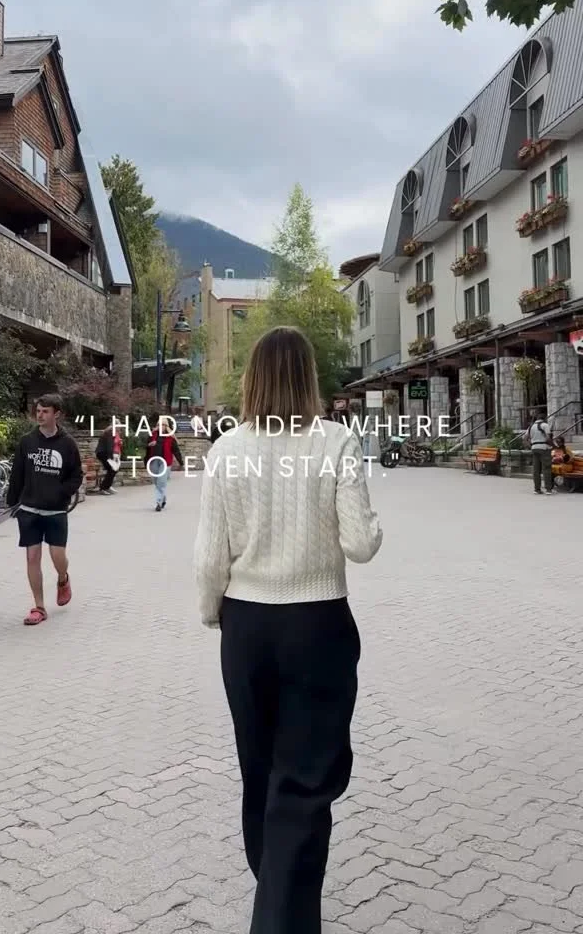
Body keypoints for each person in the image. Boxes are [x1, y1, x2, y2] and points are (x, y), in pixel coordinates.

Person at [193, 326, 383, 934]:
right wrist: (371, 522)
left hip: (247, 626)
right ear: (308, 377)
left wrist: (213, 612)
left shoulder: (226, 450)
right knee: (304, 781)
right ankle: (282, 915)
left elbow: (209, 556)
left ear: (253, 379)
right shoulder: (337, 441)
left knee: (261, 772)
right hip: (318, 623)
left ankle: (278, 900)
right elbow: (361, 544)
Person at [7, 394, 83, 625]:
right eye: (38, 411)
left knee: (58, 556)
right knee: (32, 557)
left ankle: (63, 578)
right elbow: (17, 474)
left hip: (55, 510)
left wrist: (61, 492)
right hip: (29, 509)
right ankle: (39, 607)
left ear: (56, 414)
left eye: (45, 411)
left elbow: (76, 476)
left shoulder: (67, 444)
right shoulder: (27, 441)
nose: (40, 415)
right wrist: (12, 503)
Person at [144, 416, 183, 511]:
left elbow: (176, 451)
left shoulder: (170, 438)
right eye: (159, 424)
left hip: (165, 462)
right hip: (153, 461)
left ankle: (158, 502)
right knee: (156, 482)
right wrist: (149, 445)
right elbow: (145, 447)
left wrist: (181, 463)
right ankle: (163, 498)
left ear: (166, 426)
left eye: (163, 425)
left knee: (161, 482)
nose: (161, 426)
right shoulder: (152, 435)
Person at [524, 409, 554, 494]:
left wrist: (531, 446)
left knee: (536, 470)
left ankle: (537, 489)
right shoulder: (545, 425)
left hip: (534, 448)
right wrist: (553, 445)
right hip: (544, 448)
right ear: (544, 418)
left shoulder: (531, 427)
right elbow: (548, 438)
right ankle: (548, 489)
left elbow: (525, 439)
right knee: (546, 469)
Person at [95, 425, 123, 494]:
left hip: (104, 453)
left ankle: (107, 486)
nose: (120, 428)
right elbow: (109, 446)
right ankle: (103, 488)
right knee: (113, 469)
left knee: (113, 469)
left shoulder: (111, 433)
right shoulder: (110, 433)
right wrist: (111, 458)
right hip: (104, 454)